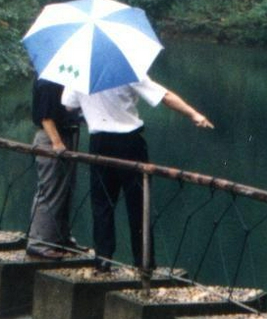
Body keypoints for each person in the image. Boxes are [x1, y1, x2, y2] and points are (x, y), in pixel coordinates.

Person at [63, 74, 213, 269]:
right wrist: (194, 114)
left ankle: (103, 260)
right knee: (139, 205)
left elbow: (67, 105)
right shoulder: (126, 71)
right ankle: (144, 264)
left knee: (102, 204)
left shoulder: (82, 73)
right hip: (129, 143)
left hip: (99, 143)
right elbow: (164, 96)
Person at [25, 75, 82, 258]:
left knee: (65, 190)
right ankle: (38, 242)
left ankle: (61, 238)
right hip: (52, 139)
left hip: (66, 135)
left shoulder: (65, 78)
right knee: (50, 190)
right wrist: (57, 143)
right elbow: (45, 117)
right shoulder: (47, 80)